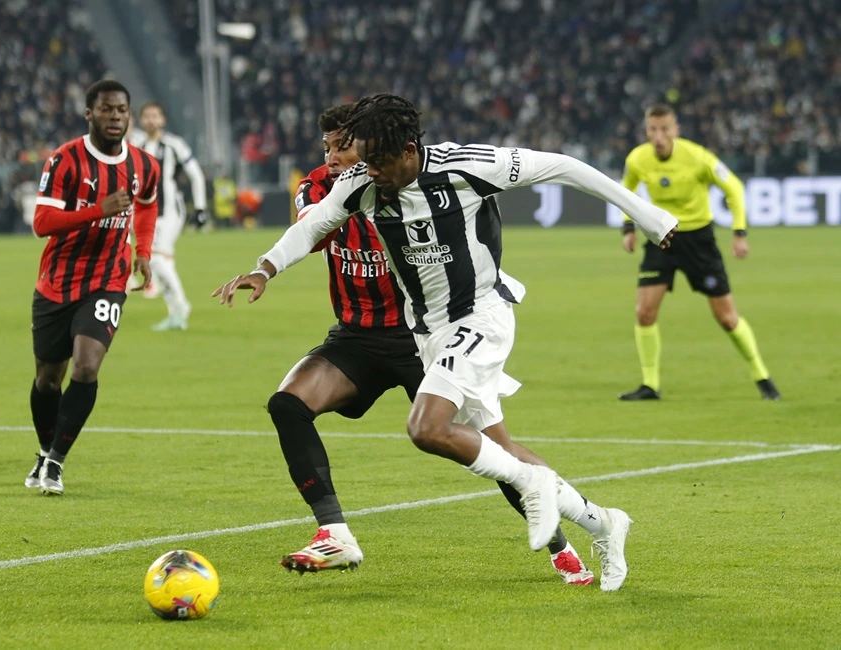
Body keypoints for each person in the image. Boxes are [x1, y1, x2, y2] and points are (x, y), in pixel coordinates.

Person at [215, 94, 678, 591]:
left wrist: (649, 218)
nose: (368, 171)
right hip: (418, 332)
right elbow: (311, 227)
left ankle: (547, 515)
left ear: (410, 150)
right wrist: (263, 268)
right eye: (361, 159)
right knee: (489, 448)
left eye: (377, 161)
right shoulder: (360, 184)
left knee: (431, 429)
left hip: (481, 316)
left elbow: (563, 166)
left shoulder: (468, 166)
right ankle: (603, 523)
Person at [267, 103, 593, 585]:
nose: (334, 156)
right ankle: (334, 533)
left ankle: (562, 549)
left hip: (421, 336)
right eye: (328, 147)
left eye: (344, 146)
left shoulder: (408, 185)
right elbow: (312, 230)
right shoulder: (323, 189)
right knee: (288, 404)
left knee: (490, 448)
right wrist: (267, 263)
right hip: (355, 335)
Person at [25, 80, 160, 495]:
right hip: (58, 282)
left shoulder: (143, 165)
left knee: (86, 366)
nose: (115, 117)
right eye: (106, 110)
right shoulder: (65, 161)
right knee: (48, 378)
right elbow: (41, 224)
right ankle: (46, 451)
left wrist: (143, 250)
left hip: (108, 279)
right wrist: (97, 211)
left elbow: (148, 203)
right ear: (90, 114)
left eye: (121, 110)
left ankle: (57, 464)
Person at [619, 104, 780, 401]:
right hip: (662, 238)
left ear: (676, 129)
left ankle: (762, 377)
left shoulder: (697, 157)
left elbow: (733, 187)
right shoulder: (638, 158)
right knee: (644, 312)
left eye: (664, 129)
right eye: (652, 130)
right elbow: (624, 190)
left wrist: (739, 232)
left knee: (727, 318)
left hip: (698, 241)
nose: (658, 136)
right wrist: (627, 228)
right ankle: (649, 385)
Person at [128, 102, 208, 330]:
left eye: (156, 116)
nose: (151, 121)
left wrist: (200, 208)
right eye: (147, 116)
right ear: (142, 121)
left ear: (163, 120)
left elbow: (196, 175)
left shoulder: (174, 145)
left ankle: (181, 305)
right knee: (163, 261)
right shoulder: (136, 144)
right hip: (144, 211)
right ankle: (175, 314)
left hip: (170, 211)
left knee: (154, 257)